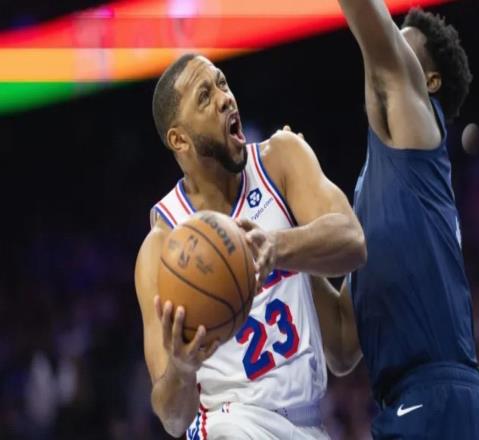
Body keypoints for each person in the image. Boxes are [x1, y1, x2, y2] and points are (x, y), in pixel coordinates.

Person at [134, 53, 366, 439]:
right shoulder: (161, 246)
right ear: (179, 139)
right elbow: (172, 419)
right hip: (229, 421)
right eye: (205, 97)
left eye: (222, 83)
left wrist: (277, 245)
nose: (225, 98)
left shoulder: (281, 160)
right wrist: (182, 368)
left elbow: (353, 241)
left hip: (309, 421)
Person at [335, 2, 479, 438]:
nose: (384, 53)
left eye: (401, 48)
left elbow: (370, 24)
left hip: (438, 396)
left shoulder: (419, 129)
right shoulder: (372, 194)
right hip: (405, 403)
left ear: (429, 81)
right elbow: (342, 346)